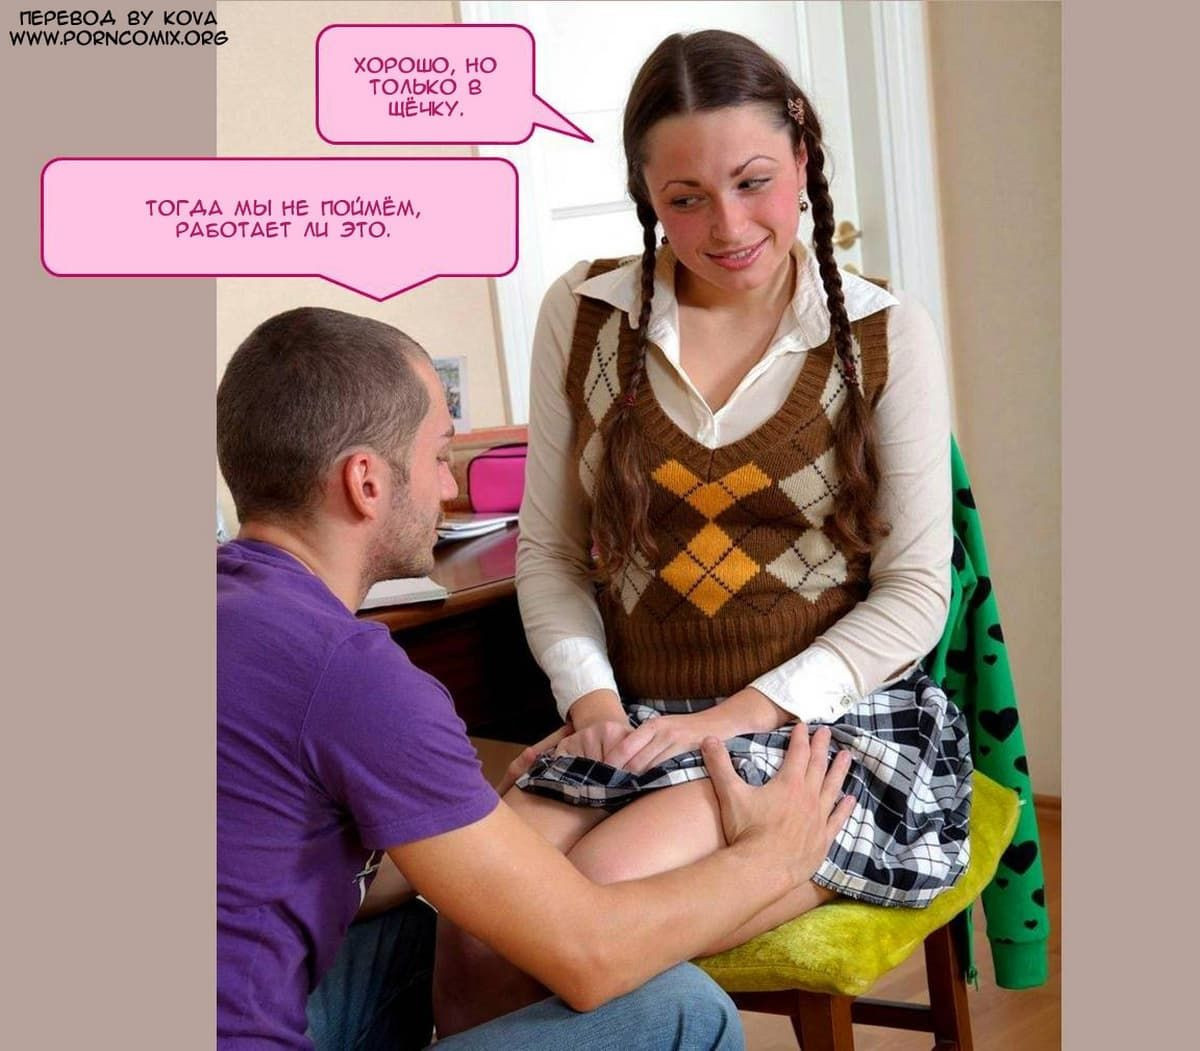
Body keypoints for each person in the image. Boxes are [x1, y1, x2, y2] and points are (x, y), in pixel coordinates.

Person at [433, 29, 973, 1032]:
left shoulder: (884, 335)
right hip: (637, 717)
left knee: (585, 901)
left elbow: (914, 592)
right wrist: (591, 698)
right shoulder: (584, 318)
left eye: (754, 182)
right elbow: (551, 553)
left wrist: (737, 714)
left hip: (823, 726)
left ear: (803, 156)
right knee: (474, 926)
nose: (727, 226)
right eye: (684, 199)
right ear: (645, 195)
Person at [216, 305, 857, 1050]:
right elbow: (591, 955)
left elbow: (268, 863)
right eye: (439, 455)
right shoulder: (352, 674)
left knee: (435, 929)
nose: (447, 484)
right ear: (365, 481)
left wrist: (459, 817)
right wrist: (770, 859)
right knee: (684, 1011)